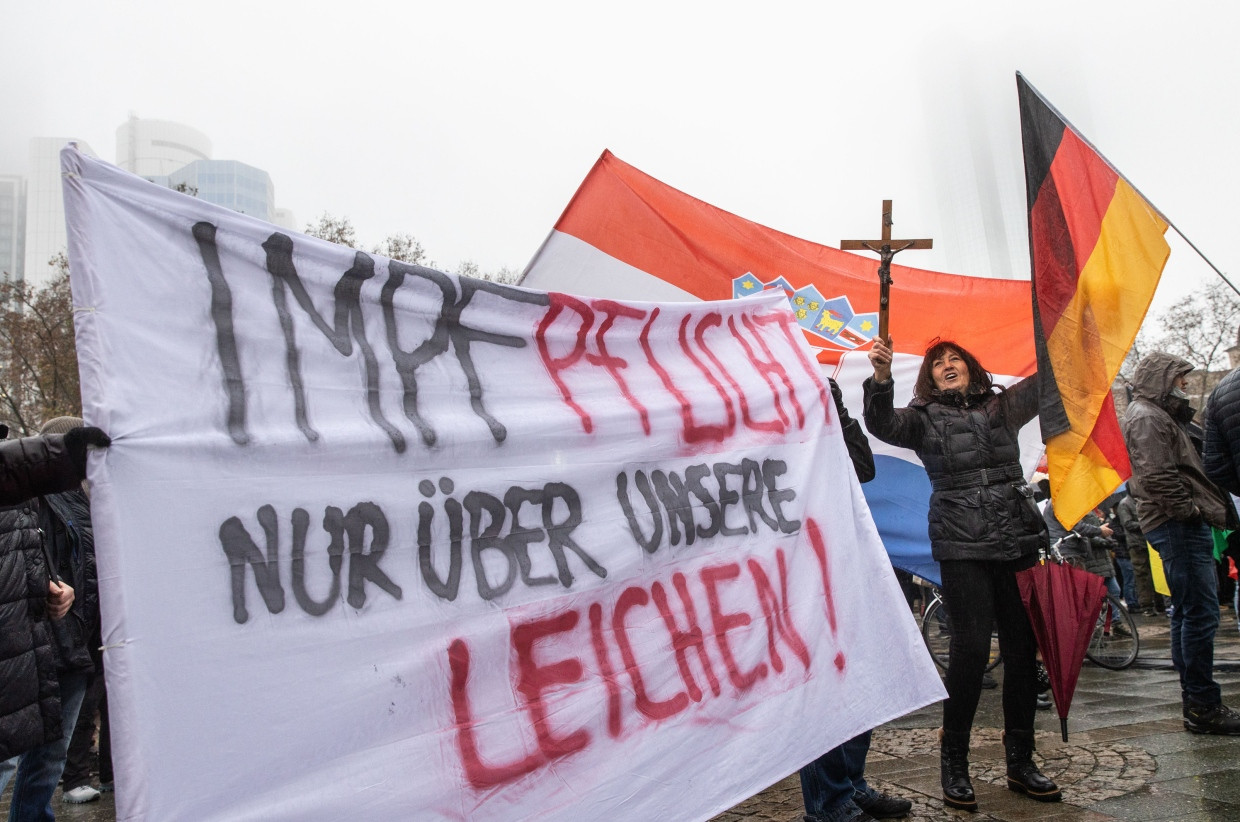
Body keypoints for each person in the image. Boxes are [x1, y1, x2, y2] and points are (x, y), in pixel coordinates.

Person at [863, 338, 1059, 812]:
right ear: (928, 378)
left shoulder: (1002, 406)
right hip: (961, 543)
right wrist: (881, 380)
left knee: (1020, 650)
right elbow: (881, 422)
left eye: (955, 360)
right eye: (938, 365)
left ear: (971, 368)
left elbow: (1051, 382)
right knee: (969, 653)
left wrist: (1057, 329)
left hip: (1015, 538)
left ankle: (1021, 761)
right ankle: (954, 764)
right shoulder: (922, 418)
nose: (947, 367)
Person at [799, 379, 912, 822]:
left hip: (843, 560)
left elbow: (862, 467)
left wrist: (837, 405)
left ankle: (852, 786)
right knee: (821, 685)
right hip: (798, 572)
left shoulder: (828, 421)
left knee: (857, 673)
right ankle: (827, 803)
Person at [1123, 352, 1240, 735]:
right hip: (1177, 524)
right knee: (1200, 613)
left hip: (1177, 523)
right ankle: (1203, 704)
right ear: (1163, 379)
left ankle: (1197, 701)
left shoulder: (1156, 414)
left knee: (1190, 613)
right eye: (1180, 377)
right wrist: (1189, 512)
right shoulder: (1146, 416)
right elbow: (1158, 476)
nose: (1186, 385)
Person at [0, 418, 110, 821]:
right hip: (25, 642)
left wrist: (56, 586)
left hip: (64, 636)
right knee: (10, 755)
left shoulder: (73, 501)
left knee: (48, 755)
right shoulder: (35, 490)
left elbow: (35, 553)